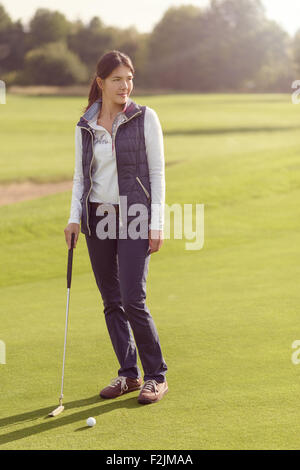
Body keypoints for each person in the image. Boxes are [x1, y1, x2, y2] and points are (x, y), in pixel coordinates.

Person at [64, 50, 168, 404]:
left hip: (135, 216)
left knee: (132, 299)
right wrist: (73, 217)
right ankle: (129, 374)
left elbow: (157, 173)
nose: (125, 85)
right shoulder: (85, 125)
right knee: (111, 300)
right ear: (101, 83)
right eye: (117, 79)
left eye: (129, 78)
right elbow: (81, 176)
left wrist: (158, 222)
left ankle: (156, 375)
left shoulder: (144, 117)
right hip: (98, 216)